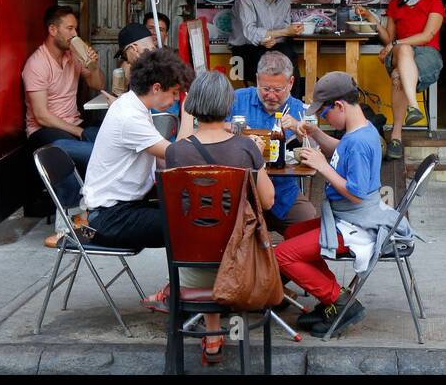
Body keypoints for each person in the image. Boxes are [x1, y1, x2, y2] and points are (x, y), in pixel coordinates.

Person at [149, 70, 277, 362]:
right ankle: (236, 338)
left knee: (207, 240)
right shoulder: (245, 148)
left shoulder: (177, 153)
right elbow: (268, 201)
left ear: (192, 104)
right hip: (240, 265)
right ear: (228, 105)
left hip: (190, 268)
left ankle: (213, 337)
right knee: (232, 242)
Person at [275, 73, 413, 338]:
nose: (325, 118)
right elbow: (340, 149)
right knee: (292, 234)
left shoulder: (360, 142)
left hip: (356, 222)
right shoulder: (359, 131)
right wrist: (316, 133)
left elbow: (357, 194)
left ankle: (339, 302)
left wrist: (323, 167)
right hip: (347, 217)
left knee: (283, 254)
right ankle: (330, 302)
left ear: (339, 105)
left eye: (325, 113)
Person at [80, 48, 197, 329]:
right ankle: (180, 297)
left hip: (121, 206)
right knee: (185, 223)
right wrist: (189, 113)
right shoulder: (130, 117)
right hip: (108, 217)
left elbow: (164, 160)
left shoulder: (133, 107)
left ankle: (182, 293)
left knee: (185, 212)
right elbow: (176, 156)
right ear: (156, 88)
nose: (173, 101)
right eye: (173, 94)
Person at [23, 5, 106, 245]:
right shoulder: (37, 64)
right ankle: (69, 221)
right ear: (52, 30)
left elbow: (98, 84)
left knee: (104, 140)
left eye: (75, 29)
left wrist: (92, 66)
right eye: (69, 28)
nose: (74, 34)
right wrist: (78, 132)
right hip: (43, 131)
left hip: (72, 124)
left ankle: (95, 213)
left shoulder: (72, 56)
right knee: (62, 149)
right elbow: (41, 116)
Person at [356, 0, 445, 160]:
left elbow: (427, 35)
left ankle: (396, 136)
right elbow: (388, 39)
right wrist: (372, 19)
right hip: (398, 53)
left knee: (398, 73)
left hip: (427, 55)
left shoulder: (434, 2)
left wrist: (395, 43)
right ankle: (413, 107)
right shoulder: (394, 5)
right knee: (403, 50)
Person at [233, 50, 319, 235]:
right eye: (265, 88)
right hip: (241, 193)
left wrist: (299, 129)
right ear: (257, 80)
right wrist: (234, 130)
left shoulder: (301, 110)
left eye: (277, 90)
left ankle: (288, 261)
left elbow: (316, 153)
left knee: (309, 222)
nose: (271, 96)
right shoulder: (236, 100)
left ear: (290, 83)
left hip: (283, 193)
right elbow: (211, 128)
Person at [229, 0, 304, 86]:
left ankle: (292, 103)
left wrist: (275, 38)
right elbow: (250, 32)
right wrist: (283, 32)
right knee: (280, 57)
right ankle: (277, 100)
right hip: (245, 53)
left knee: (288, 54)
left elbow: (283, 35)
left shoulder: (284, 2)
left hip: (274, 49)